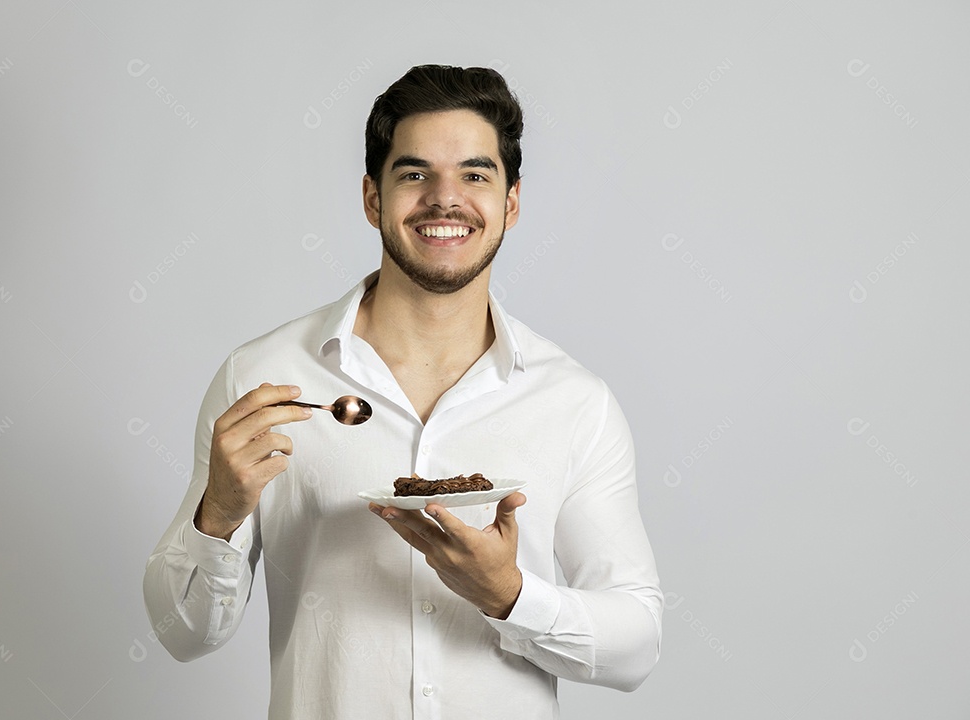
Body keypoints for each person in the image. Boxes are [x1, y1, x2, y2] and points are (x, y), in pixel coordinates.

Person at [144, 64, 663, 719]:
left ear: (511, 203)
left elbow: (636, 645)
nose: (445, 199)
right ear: (372, 198)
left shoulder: (575, 404)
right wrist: (215, 515)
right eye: (414, 174)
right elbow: (181, 634)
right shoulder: (264, 379)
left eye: (475, 174)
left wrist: (509, 594)